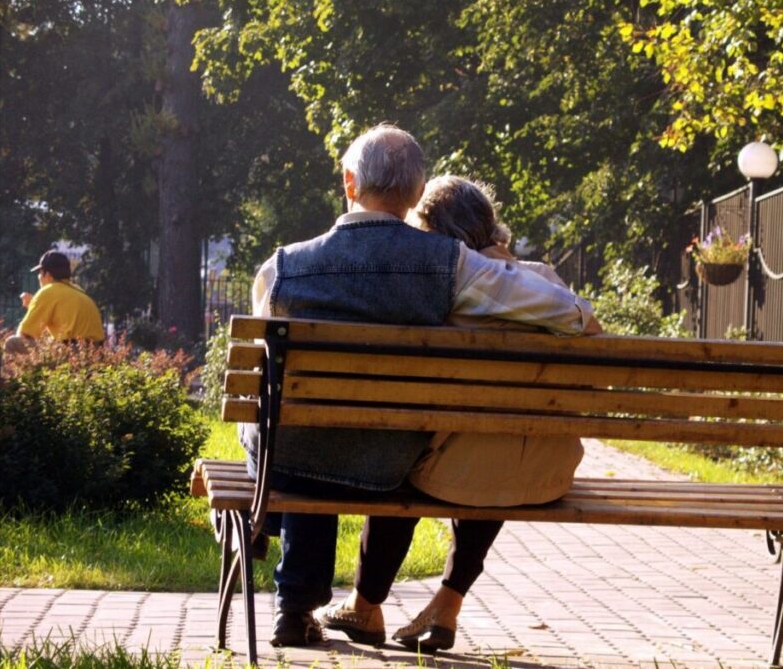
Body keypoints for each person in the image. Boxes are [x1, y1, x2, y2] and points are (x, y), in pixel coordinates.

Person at [242, 124, 600, 648]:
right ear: (415, 192)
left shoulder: (282, 268)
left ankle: (292, 602)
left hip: (292, 459)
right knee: (331, 435)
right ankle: (304, 599)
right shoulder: (452, 266)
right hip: (385, 464)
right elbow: (570, 313)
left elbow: (262, 372)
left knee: (300, 426)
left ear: (349, 182)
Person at [313, 175, 591, 652]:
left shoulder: (447, 289)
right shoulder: (544, 279)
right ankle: (447, 605)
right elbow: (590, 325)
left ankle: (364, 607)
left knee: (405, 460)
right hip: (546, 473)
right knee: (494, 442)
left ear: (431, 231)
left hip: (456, 472)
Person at [3, 251, 104, 356]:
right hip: (96, 352)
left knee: (13, 343)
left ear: (47, 274)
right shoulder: (78, 290)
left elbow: (25, 334)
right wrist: (33, 305)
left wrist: (34, 306)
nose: (39, 277)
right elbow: (58, 333)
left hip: (71, 352)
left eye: (40, 273)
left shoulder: (48, 291)